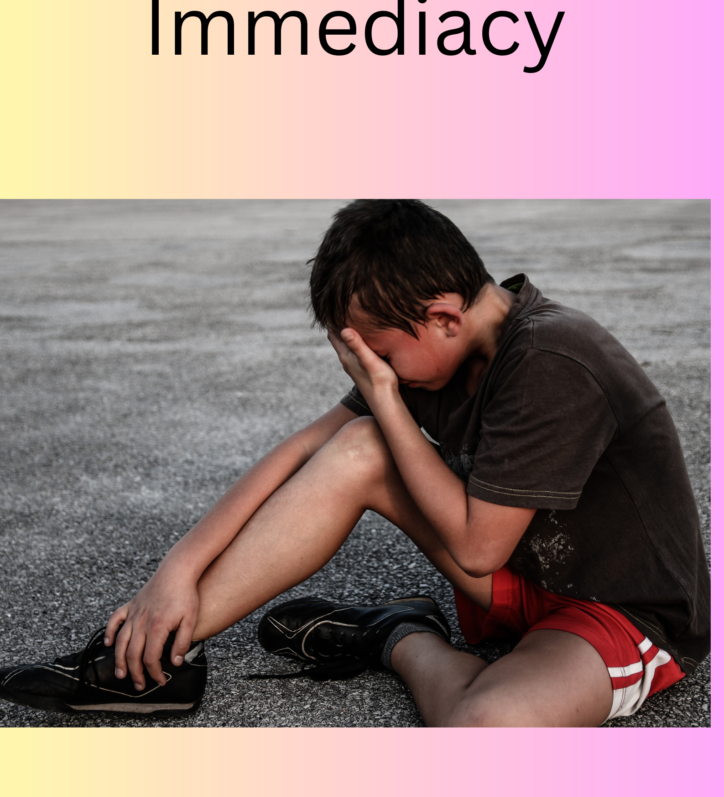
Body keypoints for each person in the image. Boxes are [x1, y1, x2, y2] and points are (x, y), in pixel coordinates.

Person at [0, 200, 710, 726]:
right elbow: (305, 451)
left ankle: (399, 637)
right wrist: (175, 573)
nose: (379, 373)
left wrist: (384, 398)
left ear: (443, 316)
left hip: (618, 611)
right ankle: (147, 663)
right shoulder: (433, 350)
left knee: (483, 730)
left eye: (383, 356)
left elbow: (476, 544)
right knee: (358, 446)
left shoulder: (553, 359)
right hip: (518, 576)